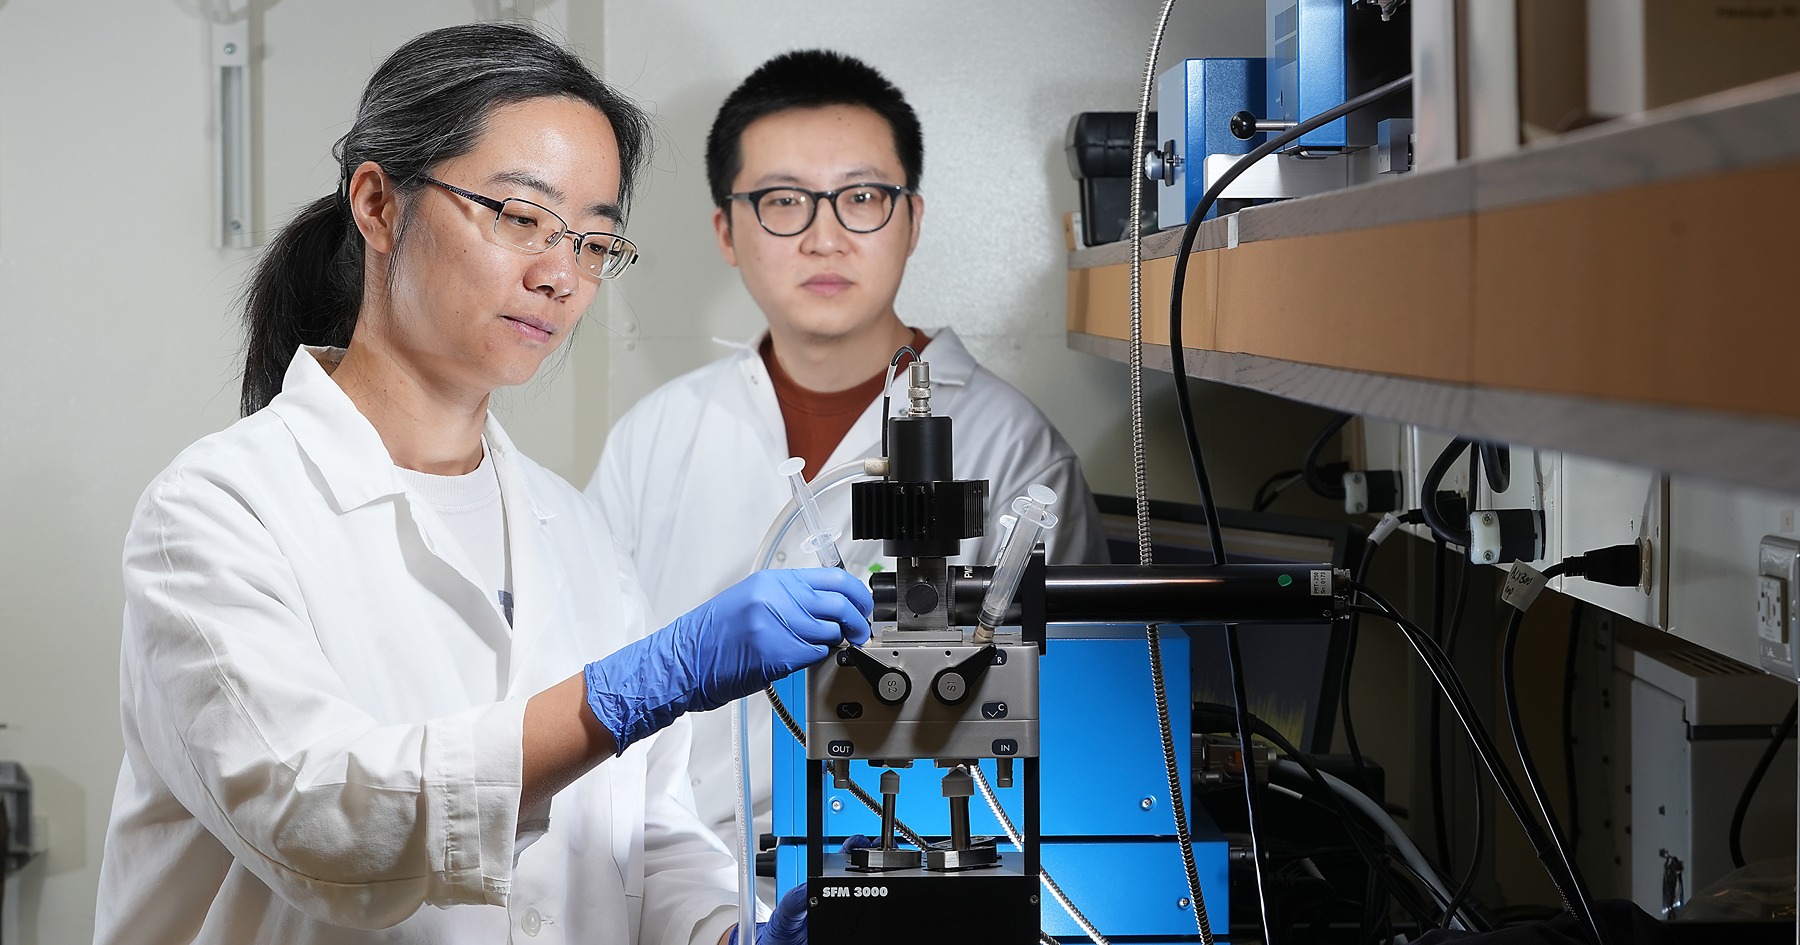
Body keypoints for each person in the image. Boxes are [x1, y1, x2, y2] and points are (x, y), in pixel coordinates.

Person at [93, 23, 867, 945]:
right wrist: (621, 695)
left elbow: (642, 827)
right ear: (379, 205)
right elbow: (317, 824)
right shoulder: (217, 514)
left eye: (593, 241)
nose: (559, 277)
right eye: (520, 217)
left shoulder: (571, 528)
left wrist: (722, 932)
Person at [585, 50, 1107, 880]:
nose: (824, 235)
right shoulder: (654, 436)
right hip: (670, 880)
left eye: (862, 197)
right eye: (783, 201)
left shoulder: (1015, 449)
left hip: (926, 870)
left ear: (912, 218)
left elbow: (1079, 731)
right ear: (727, 228)